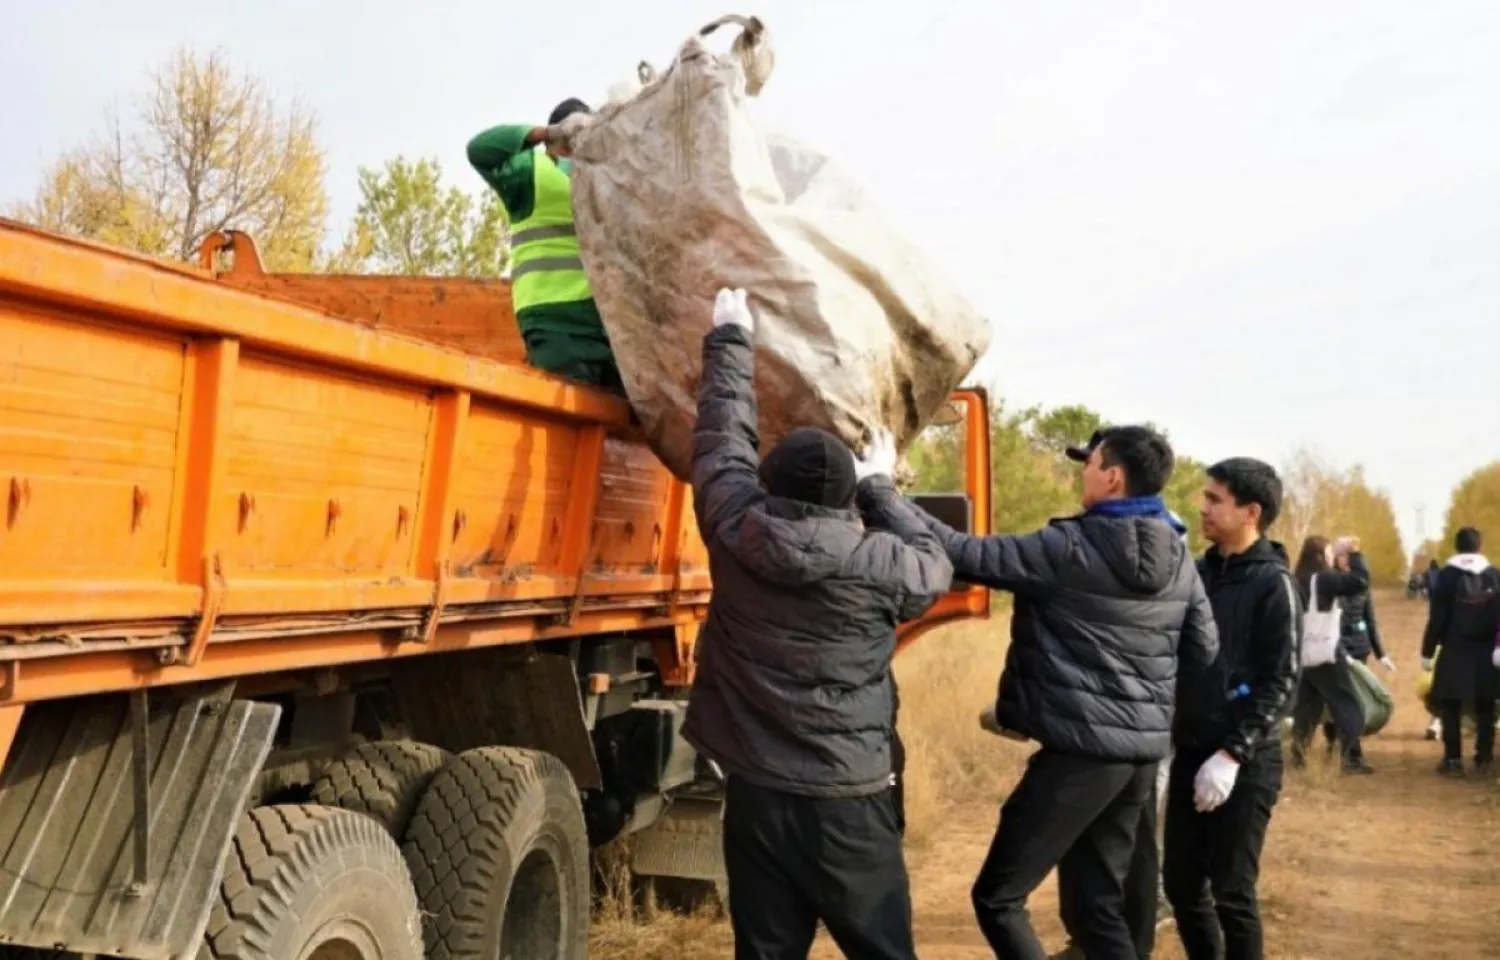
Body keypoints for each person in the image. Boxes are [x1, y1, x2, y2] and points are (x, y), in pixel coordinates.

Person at [682, 288, 953, 960]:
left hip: (759, 799)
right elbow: (935, 562)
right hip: (849, 804)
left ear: (770, 484)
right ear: (846, 499)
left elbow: (723, 443)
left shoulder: (737, 531)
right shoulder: (883, 563)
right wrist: (882, 486)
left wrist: (731, 340)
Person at [903, 425, 1219, 960]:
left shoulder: (1068, 547)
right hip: (1139, 758)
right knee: (1095, 906)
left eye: (1090, 462)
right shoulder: (1180, 559)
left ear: (1113, 477)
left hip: (1080, 756)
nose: (1083, 471)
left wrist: (879, 492)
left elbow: (958, 551)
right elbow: (1204, 651)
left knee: (999, 897)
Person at [1165, 457, 1300, 960]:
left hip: (1244, 762)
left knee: (1232, 893)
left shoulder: (1274, 584)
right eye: (1205, 497)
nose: (1202, 507)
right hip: (1190, 750)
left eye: (1214, 499)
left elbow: (1282, 680)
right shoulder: (1198, 575)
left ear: (1251, 512)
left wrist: (1232, 754)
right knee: (1180, 885)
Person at [466, 99, 623, 391]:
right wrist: (545, 133)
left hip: (606, 329)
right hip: (556, 325)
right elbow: (480, 150)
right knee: (568, 421)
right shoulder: (532, 173)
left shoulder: (605, 177)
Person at [1288, 535, 1377, 774]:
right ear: (1321, 555)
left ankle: (1299, 755)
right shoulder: (1324, 578)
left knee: (1307, 706)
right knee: (1348, 703)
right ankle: (1351, 758)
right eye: (1329, 552)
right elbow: (1360, 581)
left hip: (1303, 651)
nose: (1332, 557)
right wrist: (1355, 553)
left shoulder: (1296, 579)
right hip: (1325, 650)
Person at [1421, 526, 1500, 777]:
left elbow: (1437, 617)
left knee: (1450, 705)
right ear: (1479, 546)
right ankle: (1484, 758)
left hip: (1455, 649)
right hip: (1488, 651)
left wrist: (1427, 650)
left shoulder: (1446, 576)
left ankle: (1453, 759)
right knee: (1486, 707)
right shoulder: (1495, 575)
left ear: (1457, 547)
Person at [1322, 549, 1396, 748]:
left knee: (1356, 697)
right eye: (1342, 556)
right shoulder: (1330, 583)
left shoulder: (1362, 586)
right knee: (1333, 697)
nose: (1345, 561)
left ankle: (1352, 746)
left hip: (1359, 648)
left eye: (1349, 557)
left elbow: (1370, 620)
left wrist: (1381, 654)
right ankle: (1333, 740)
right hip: (1335, 648)